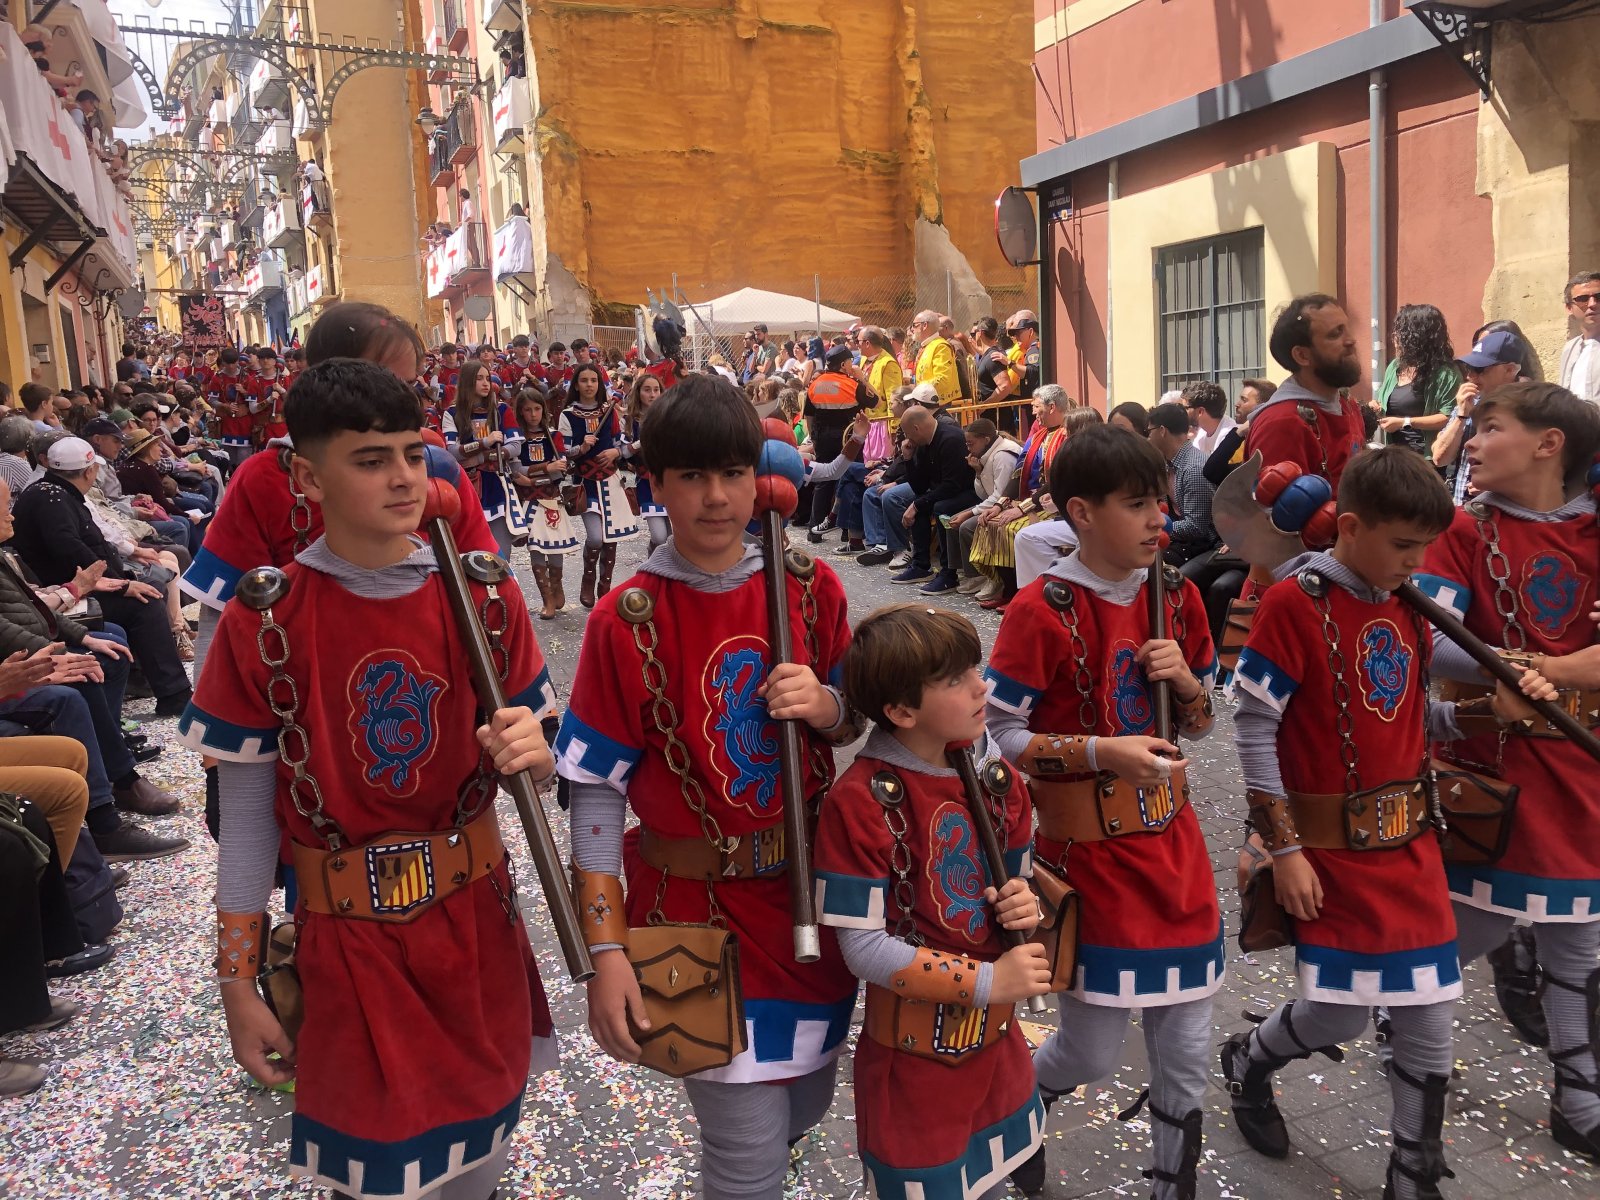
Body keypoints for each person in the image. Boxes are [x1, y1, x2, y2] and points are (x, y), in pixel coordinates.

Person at [179, 358, 558, 1200]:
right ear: (308, 477)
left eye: (414, 455)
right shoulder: (263, 620)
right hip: (347, 943)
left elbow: (542, 764)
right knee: (376, 1176)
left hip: (476, 928)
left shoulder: (487, 598)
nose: (403, 478)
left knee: (478, 1164)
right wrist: (237, 982)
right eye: (371, 459)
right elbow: (248, 824)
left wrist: (538, 751)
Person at [557, 376, 861, 1200]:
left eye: (731, 473)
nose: (717, 497)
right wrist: (606, 952)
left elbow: (858, 722)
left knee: (806, 1101)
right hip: (691, 919)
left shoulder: (811, 588)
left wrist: (827, 705)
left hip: (805, 902)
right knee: (744, 1149)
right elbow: (596, 795)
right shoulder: (622, 620)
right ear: (654, 485)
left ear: (758, 479)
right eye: (692, 476)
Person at [1228, 447, 1504, 1199]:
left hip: (1410, 849)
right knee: (1337, 1015)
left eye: (1425, 548)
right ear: (1350, 527)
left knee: (1430, 1015)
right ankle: (1250, 1057)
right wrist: (1284, 849)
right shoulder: (1294, 602)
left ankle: (1412, 1175)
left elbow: (1411, 720)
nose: (1417, 563)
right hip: (1327, 852)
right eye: (1404, 546)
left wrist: (1488, 706)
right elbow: (1253, 726)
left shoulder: (1405, 602)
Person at [985, 424, 1220, 1200]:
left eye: (1161, 501)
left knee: (1186, 1047)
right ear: (1082, 513)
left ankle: (1173, 1184)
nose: (1160, 520)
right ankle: (1016, 1115)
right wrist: (1100, 752)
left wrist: (1188, 685)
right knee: (1089, 1052)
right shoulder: (1039, 609)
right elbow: (999, 736)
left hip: (1177, 850)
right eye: (1137, 504)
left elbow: (1200, 725)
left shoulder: (1178, 595)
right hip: (1090, 863)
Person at [1413, 380, 1600, 1162]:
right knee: (1472, 929)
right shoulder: (1463, 529)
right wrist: (1549, 669)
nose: (1473, 440)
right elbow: (1428, 637)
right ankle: (1398, 1009)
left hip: (1582, 768)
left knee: (1579, 938)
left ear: (1549, 445)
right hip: (1496, 770)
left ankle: (1579, 1102)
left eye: (1490, 427)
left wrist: (1551, 668)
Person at [813, 604, 1050, 1199]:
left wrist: (1024, 904)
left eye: (975, 668)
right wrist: (989, 981)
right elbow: (863, 949)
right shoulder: (859, 802)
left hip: (998, 1047)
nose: (982, 686)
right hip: (914, 1062)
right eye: (954, 679)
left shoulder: (996, 779)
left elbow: (1020, 880)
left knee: (989, 1182)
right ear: (900, 710)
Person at [9, 439, 192, 717]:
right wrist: (119, 585)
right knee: (145, 603)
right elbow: (70, 548)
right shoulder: (52, 498)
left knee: (148, 590)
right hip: (63, 593)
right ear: (89, 472)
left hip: (70, 588)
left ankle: (153, 679)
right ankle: (173, 693)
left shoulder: (54, 492)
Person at [1241, 294, 1367, 597]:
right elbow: (1276, 540)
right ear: (1302, 355)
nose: (1351, 341)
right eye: (1335, 334)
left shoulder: (1348, 405)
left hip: (1348, 576)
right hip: (1297, 592)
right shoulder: (1282, 421)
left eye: (1347, 328)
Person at [562, 362, 636, 607]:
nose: (589, 385)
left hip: (610, 481)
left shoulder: (610, 411)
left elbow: (621, 443)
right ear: (576, 385)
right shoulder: (568, 415)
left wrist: (616, 452)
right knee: (595, 537)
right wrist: (581, 448)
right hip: (586, 483)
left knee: (611, 536)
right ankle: (588, 578)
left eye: (593, 380)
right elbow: (563, 452)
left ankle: (605, 586)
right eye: (584, 380)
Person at [1430, 328, 1529, 503]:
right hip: (1462, 508)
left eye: (1479, 369)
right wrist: (1461, 416)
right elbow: (1439, 458)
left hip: (1503, 511)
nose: (1470, 376)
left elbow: (1540, 471)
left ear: (1510, 370)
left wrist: (1499, 486)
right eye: (1469, 368)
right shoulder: (1468, 403)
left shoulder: (1529, 409)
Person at [888, 405, 977, 594]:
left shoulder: (951, 439)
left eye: (907, 434)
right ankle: (921, 566)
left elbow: (953, 485)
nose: (907, 439)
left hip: (971, 492)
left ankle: (949, 573)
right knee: (921, 504)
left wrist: (917, 504)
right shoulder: (922, 444)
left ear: (916, 429)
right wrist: (908, 459)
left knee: (939, 507)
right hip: (948, 491)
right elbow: (920, 487)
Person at [442, 359, 523, 560]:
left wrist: (478, 457)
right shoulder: (452, 413)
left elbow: (515, 447)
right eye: (479, 378)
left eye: (487, 378)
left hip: (497, 482)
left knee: (501, 552)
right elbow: (452, 452)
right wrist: (485, 443)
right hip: (468, 485)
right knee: (472, 551)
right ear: (467, 381)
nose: (486, 383)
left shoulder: (501, 410)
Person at [511, 388, 577, 620]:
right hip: (530, 501)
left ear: (543, 409)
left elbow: (560, 471)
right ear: (520, 412)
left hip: (551, 499)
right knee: (536, 548)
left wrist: (533, 476)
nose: (533, 414)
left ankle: (557, 586)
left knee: (555, 546)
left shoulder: (553, 435)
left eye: (537, 408)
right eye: (527, 410)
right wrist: (545, 468)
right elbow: (516, 470)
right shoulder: (517, 438)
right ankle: (547, 598)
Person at [1373, 304, 1462, 457]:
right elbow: (1384, 403)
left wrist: (1405, 423)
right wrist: (1375, 407)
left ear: (1415, 336)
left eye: (1400, 332)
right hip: (1395, 455)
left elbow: (1449, 417)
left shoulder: (1446, 373)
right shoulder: (1395, 366)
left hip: (1426, 459)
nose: (1394, 337)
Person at [950, 418, 1023, 597]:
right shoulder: (988, 454)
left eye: (971, 444)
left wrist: (970, 513)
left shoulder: (1003, 455)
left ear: (986, 440)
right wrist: (978, 471)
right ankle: (964, 572)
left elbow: (1001, 496)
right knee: (952, 521)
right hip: (995, 503)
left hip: (1010, 504)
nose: (968, 448)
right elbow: (984, 495)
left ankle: (985, 576)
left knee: (967, 526)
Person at [803, 345, 871, 536]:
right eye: (850, 361)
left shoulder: (816, 384)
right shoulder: (854, 384)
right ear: (842, 364)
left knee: (822, 481)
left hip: (822, 437)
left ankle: (814, 530)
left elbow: (809, 415)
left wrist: (814, 438)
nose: (852, 365)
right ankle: (846, 532)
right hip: (848, 439)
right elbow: (876, 401)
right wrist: (862, 378)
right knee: (848, 480)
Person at [1145, 401, 1218, 569]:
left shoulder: (1194, 468)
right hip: (1181, 543)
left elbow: (1196, 527)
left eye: (1149, 431)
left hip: (1207, 546)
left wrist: (1155, 526)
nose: (1148, 438)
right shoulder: (1167, 464)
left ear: (1162, 431)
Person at [620, 371, 670, 553]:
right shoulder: (629, 420)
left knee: (672, 538)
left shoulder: (669, 418)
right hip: (647, 483)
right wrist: (641, 442)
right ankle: (652, 559)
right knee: (659, 536)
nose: (653, 394)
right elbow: (623, 453)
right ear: (638, 392)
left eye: (656, 390)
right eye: (647, 390)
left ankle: (659, 566)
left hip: (671, 482)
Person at [1558, 270, 1600, 402]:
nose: (1592, 304)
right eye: (1582, 299)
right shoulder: (1569, 349)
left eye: (1598, 297)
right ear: (1569, 308)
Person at [1184, 381, 1236, 459]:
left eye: (1185, 408)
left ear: (1200, 411)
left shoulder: (1230, 438)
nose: (1182, 412)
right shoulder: (1202, 431)